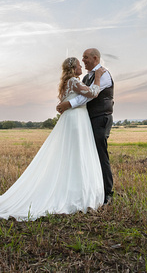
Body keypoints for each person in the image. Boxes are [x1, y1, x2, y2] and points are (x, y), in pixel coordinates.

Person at [0, 57, 106, 224]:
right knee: (76, 153)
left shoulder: (67, 82)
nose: (81, 67)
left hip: (73, 118)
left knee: (71, 154)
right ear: (72, 68)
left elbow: (66, 101)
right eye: (78, 64)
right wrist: (98, 76)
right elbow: (92, 93)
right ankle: (76, 192)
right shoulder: (73, 81)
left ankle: (74, 189)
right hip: (76, 120)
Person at [57, 48, 114, 205]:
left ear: (95, 58)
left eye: (86, 58)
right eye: (81, 59)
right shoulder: (87, 77)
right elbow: (82, 93)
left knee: (100, 154)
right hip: (88, 119)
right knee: (87, 153)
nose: (83, 61)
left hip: (100, 118)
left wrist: (69, 104)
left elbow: (87, 98)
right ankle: (90, 188)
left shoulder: (103, 74)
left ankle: (107, 192)